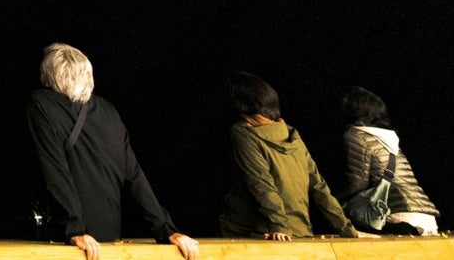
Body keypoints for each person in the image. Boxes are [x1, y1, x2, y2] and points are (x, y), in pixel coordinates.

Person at [28, 44, 198, 260]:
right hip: (107, 240)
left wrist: (75, 229)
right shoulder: (108, 111)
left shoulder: (42, 103)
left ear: (48, 77)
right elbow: (135, 176)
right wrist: (166, 229)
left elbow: (54, 168)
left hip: (68, 241)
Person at [219, 71, 354, 240]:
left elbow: (260, 182)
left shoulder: (243, 133)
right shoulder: (291, 133)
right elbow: (319, 186)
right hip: (300, 230)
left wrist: (279, 225)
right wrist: (346, 229)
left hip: (260, 232)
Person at [340, 86, 441, 235]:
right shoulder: (388, 139)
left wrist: (330, 201)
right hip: (426, 218)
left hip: (398, 217)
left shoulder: (356, 135)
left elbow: (356, 183)